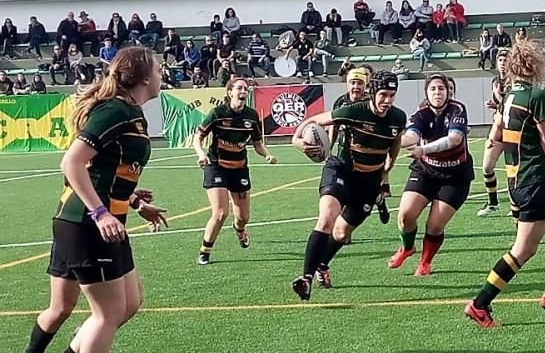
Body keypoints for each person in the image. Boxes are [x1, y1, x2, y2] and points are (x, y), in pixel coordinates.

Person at [29, 46, 168, 353]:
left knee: (130, 304)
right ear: (142, 77)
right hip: (86, 225)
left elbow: (109, 170)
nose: (162, 71)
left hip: (109, 224)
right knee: (107, 313)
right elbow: (72, 163)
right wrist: (100, 212)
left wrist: (135, 201)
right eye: (157, 67)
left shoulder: (132, 113)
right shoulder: (115, 110)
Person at [465, 39, 545, 328]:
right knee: (523, 250)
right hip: (535, 181)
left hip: (518, 178)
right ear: (535, 65)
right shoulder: (536, 96)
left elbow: (502, 134)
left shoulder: (509, 96)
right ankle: (480, 304)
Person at [290, 71, 406, 300]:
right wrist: (297, 140)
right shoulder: (354, 111)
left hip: (369, 181)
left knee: (342, 233)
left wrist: (386, 171)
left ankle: (323, 264)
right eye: (383, 94)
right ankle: (306, 278)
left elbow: (396, 142)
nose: (388, 100)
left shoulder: (398, 117)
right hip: (341, 170)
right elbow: (315, 121)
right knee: (326, 218)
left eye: (392, 95)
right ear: (372, 92)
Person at [388, 74, 475, 276]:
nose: (437, 92)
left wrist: (423, 150)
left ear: (448, 92)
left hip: (456, 176)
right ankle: (407, 247)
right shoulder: (421, 113)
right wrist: (390, 141)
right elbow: (411, 136)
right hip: (426, 171)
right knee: (405, 216)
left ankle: (425, 262)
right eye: (433, 88)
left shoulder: (457, 109)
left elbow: (454, 139)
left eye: (441, 88)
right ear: (426, 92)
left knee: (435, 225)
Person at [193, 78, 276, 265]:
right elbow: (198, 137)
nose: (243, 91)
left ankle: (239, 229)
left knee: (243, 217)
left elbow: (257, 143)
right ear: (230, 92)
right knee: (221, 212)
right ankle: (205, 251)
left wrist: (267, 155)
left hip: (239, 168)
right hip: (216, 166)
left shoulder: (252, 116)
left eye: (245, 89)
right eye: (239, 88)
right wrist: (200, 154)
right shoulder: (217, 113)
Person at [478, 48, 511, 217]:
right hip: (498, 128)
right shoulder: (495, 81)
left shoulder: (515, 80)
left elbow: (512, 105)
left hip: (513, 128)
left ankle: (517, 206)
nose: (503, 64)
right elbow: (501, 105)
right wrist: (494, 104)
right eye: (500, 61)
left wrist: (499, 102)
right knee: (487, 166)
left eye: (506, 61)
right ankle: (493, 203)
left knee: (515, 170)